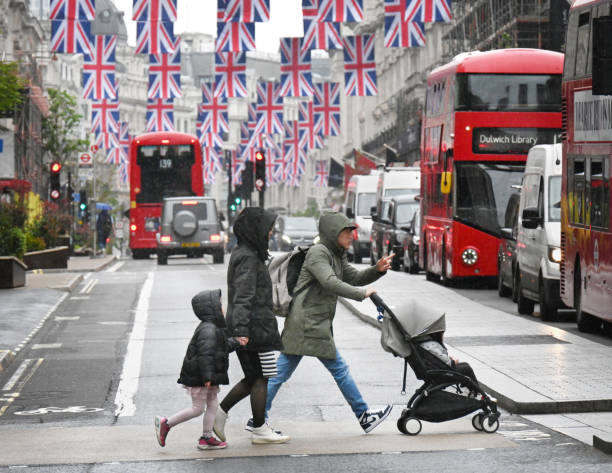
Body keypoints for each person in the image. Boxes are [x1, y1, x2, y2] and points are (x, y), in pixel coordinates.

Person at [261, 210, 395, 434]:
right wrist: (363, 294)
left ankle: (257, 418)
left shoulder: (336, 254)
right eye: (346, 232)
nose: (351, 235)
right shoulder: (318, 253)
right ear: (333, 232)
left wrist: (376, 270)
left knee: (279, 374)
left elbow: (352, 277)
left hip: (313, 322)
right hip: (308, 323)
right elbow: (330, 281)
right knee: (338, 369)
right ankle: (364, 415)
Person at [213, 207, 290, 445]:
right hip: (254, 328)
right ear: (253, 230)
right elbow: (243, 296)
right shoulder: (247, 257)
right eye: (266, 229)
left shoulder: (247, 253)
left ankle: (224, 415)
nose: (269, 233)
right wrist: (242, 332)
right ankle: (258, 428)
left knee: (255, 376)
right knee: (260, 378)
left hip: (256, 326)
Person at [154, 289, 239, 450]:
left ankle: (206, 437)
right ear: (211, 309)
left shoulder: (214, 327)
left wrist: (236, 342)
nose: (222, 308)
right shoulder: (209, 329)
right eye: (220, 305)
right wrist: (207, 377)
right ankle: (166, 424)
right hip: (202, 376)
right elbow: (205, 354)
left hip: (207, 376)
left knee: (213, 404)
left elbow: (221, 348)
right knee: (197, 408)